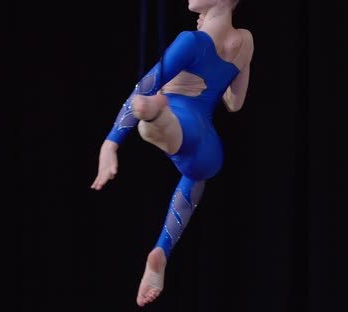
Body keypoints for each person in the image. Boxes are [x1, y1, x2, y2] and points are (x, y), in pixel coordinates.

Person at [90, 0, 254, 307]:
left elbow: (146, 83)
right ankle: (162, 251)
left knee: (152, 121)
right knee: (194, 174)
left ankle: (154, 114)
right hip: (209, 150)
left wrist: (110, 144)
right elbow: (235, 104)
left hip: (181, 122)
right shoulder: (245, 40)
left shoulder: (191, 41)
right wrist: (217, 75)